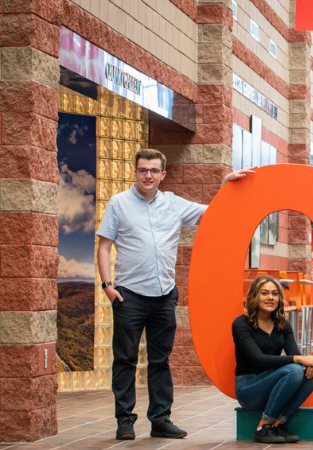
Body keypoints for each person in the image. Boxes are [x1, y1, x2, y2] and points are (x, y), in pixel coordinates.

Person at [97, 148, 251, 440]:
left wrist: (225, 185)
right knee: (126, 360)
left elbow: (213, 213)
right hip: (128, 295)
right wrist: (107, 286)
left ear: (162, 175)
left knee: (160, 361)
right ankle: (125, 422)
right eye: (143, 170)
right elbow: (104, 246)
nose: (148, 175)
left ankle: (160, 420)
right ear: (135, 172)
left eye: (154, 171)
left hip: (164, 294)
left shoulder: (174, 204)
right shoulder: (118, 203)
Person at [232, 276, 313, 443]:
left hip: (276, 386)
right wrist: (300, 359)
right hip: (249, 389)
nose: (270, 298)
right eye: (264, 293)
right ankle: (263, 427)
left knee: (311, 374)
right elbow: (258, 360)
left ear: (280, 298)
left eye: (275, 293)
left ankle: (276, 425)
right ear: (254, 296)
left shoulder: (283, 324)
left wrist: (312, 364)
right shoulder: (241, 323)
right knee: (294, 369)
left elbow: (295, 356)